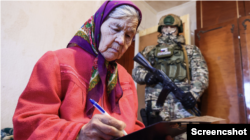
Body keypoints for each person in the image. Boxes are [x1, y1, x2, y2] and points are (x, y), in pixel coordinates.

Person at [12, 1, 146, 140]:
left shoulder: (126, 78)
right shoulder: (57, 61)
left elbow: (132, 126)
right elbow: (28, 124)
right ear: (97, 25)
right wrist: (79, 133)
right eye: (116, 28)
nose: (121, 41)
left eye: (129, 35)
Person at [132, 14, 209, 140]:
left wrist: (194, 94)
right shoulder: (149, 51)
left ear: (178, 29)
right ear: (160, 29)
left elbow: (201, 74)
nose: (168, 31)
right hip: (157, 106)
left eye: (172, 27)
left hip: (182, 105)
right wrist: (146, 76)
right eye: (165, 27)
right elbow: (136, 72)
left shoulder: (190, 50)